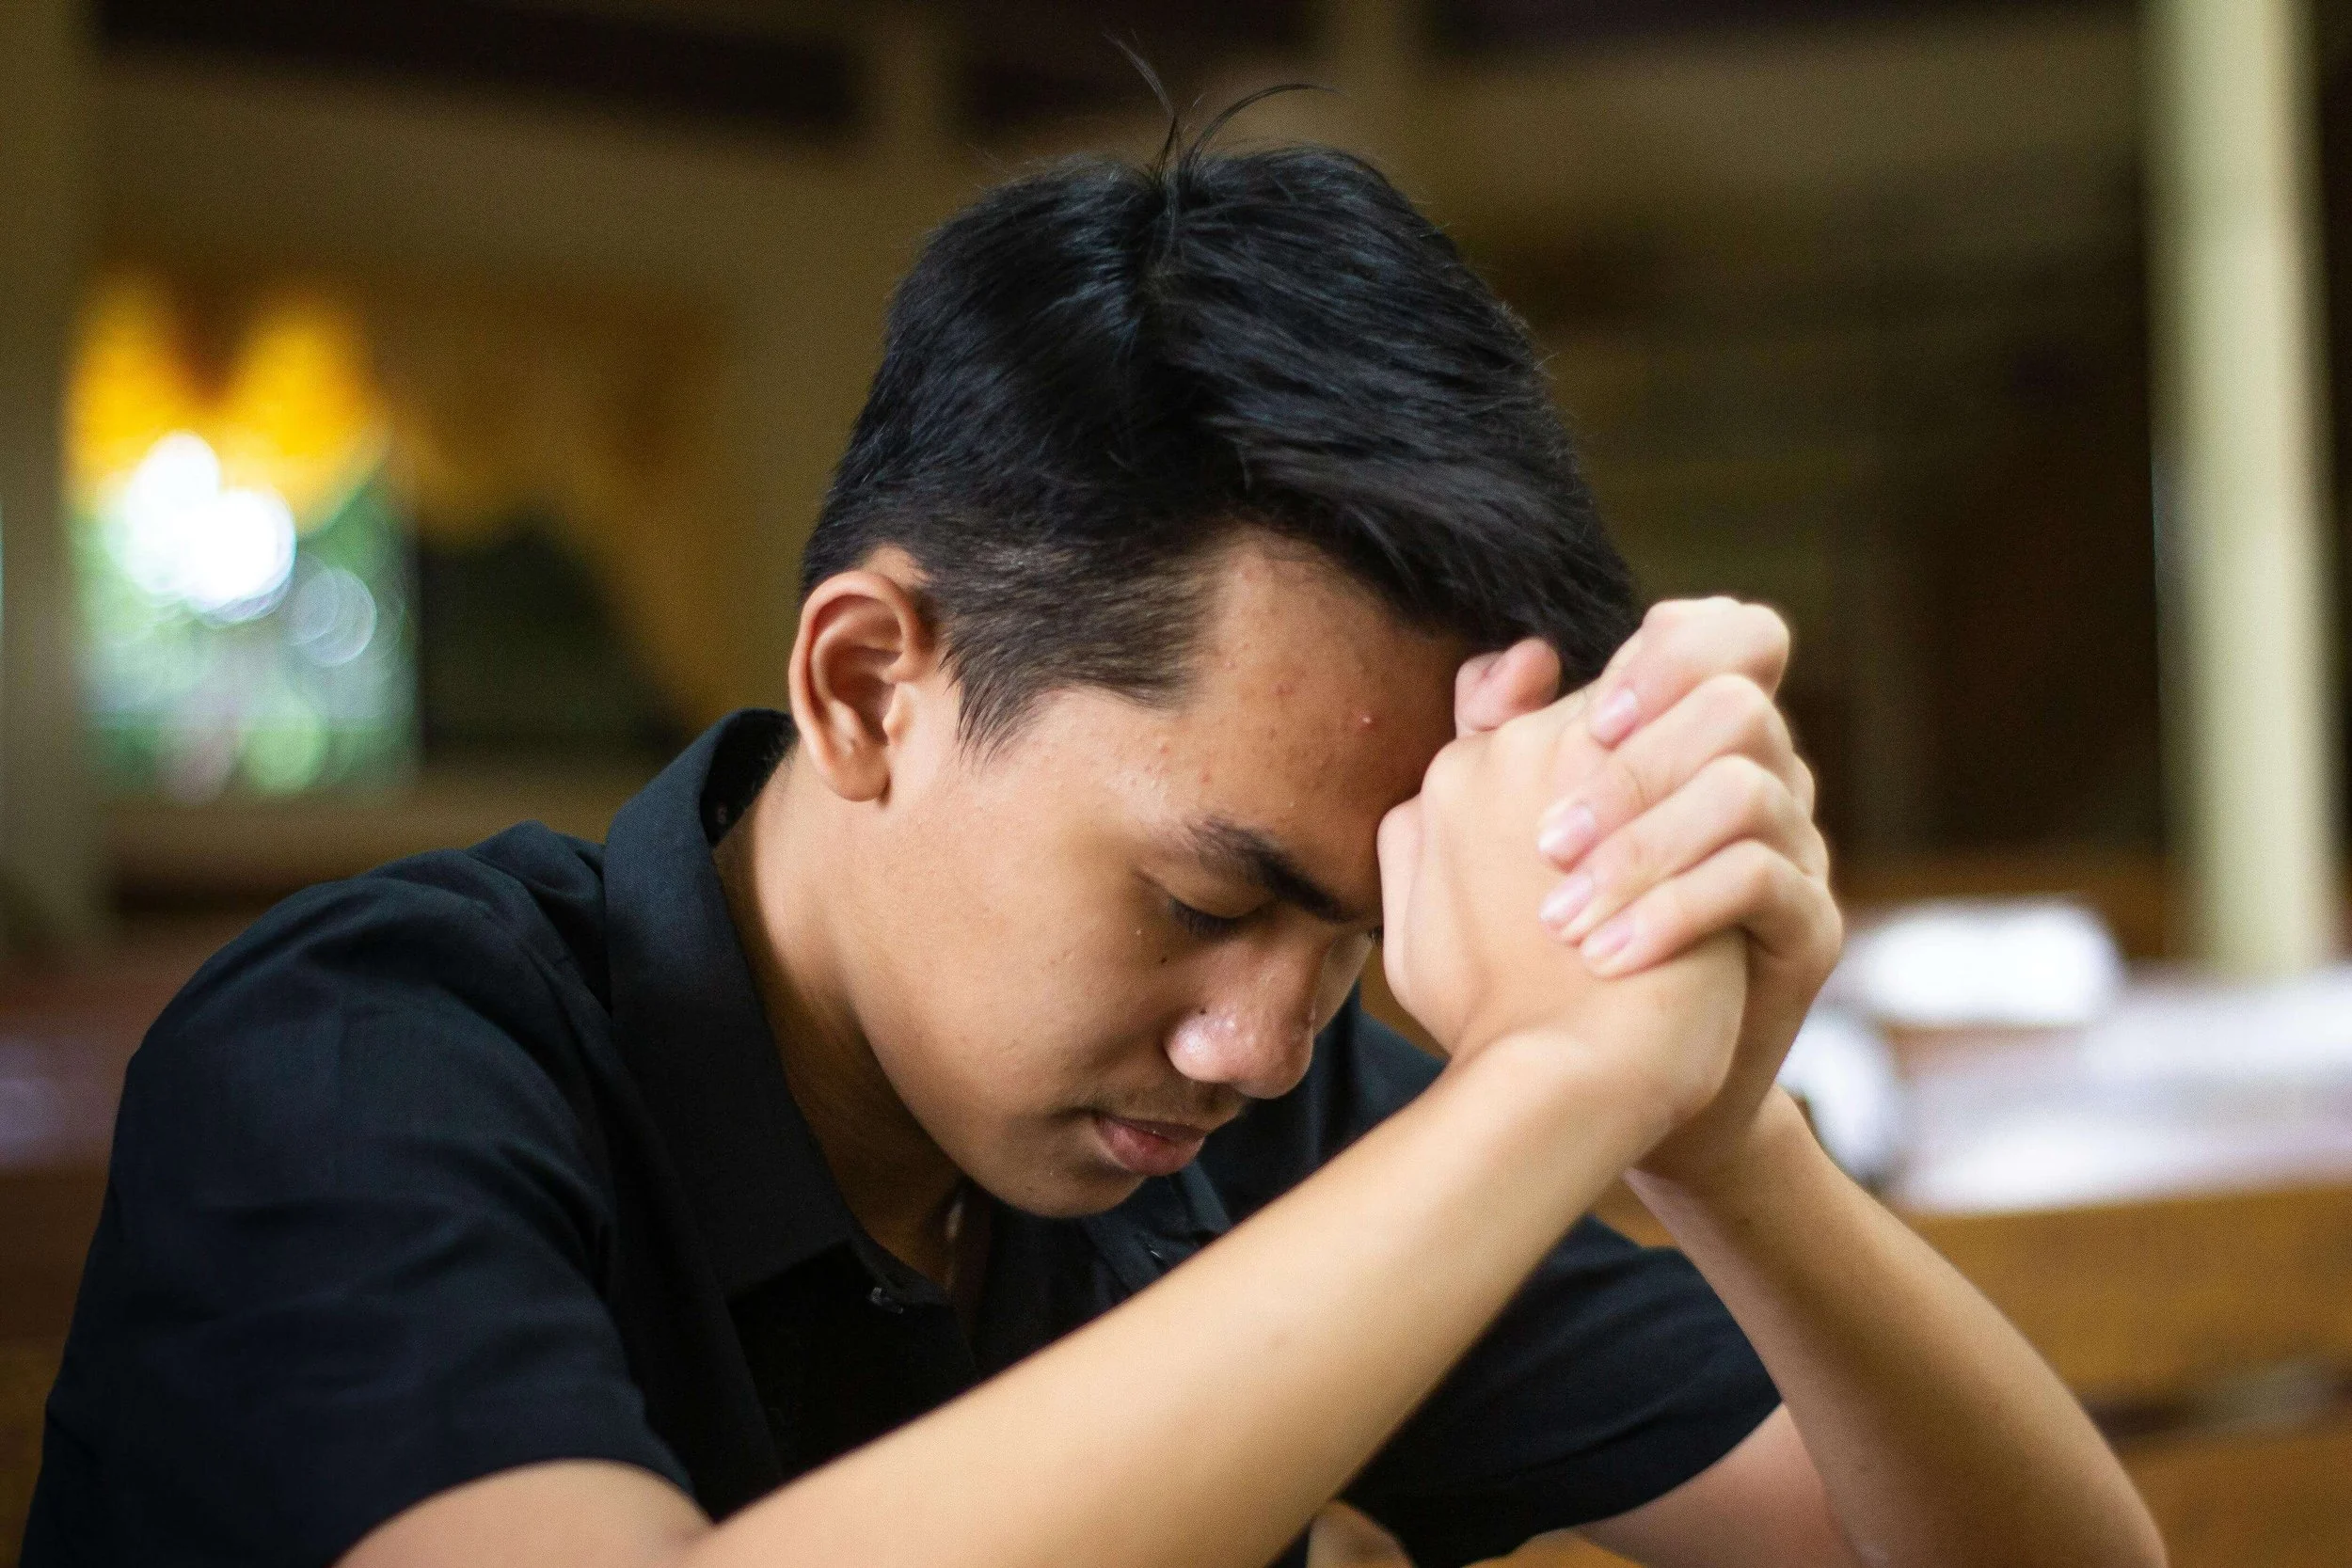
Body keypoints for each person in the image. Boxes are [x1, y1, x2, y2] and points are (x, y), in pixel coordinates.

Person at [24, 135, 2163, 1568]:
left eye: (1341, 930)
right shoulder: (363, 1058)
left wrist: (1718, 1138)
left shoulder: (1256, 1112)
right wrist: (1542, 1091)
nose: (1257, 1033)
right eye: (1204, 895)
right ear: (868, 685)